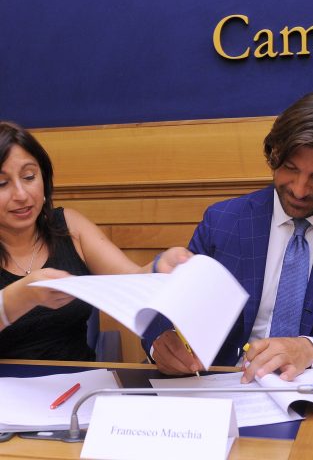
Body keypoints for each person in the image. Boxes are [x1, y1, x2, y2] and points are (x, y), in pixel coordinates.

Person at [143, 91, 313, 381]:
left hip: (312, 395)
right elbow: (168, 309)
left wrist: (308, 349)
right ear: (274, 155)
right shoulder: (223, 221)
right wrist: (159, 342)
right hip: (218, 387)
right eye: (290, 169)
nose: (299, 190)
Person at [0, 121, 191, 360]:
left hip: (78, 387)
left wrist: (157, 268)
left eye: (29, 176)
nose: (21, 195)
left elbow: (129, 281)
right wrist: (21, 296)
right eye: (2, 183)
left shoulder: (70, 227)